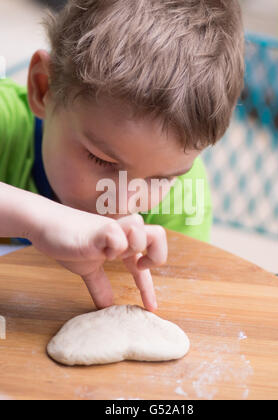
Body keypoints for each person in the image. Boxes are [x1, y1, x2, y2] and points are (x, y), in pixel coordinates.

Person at [0, 0, 244, 312]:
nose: (122, 204)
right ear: (43, 88)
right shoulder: (6, 123)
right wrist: (34, 219)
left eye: (162, 179)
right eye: (102, 160)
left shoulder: (185, 198)